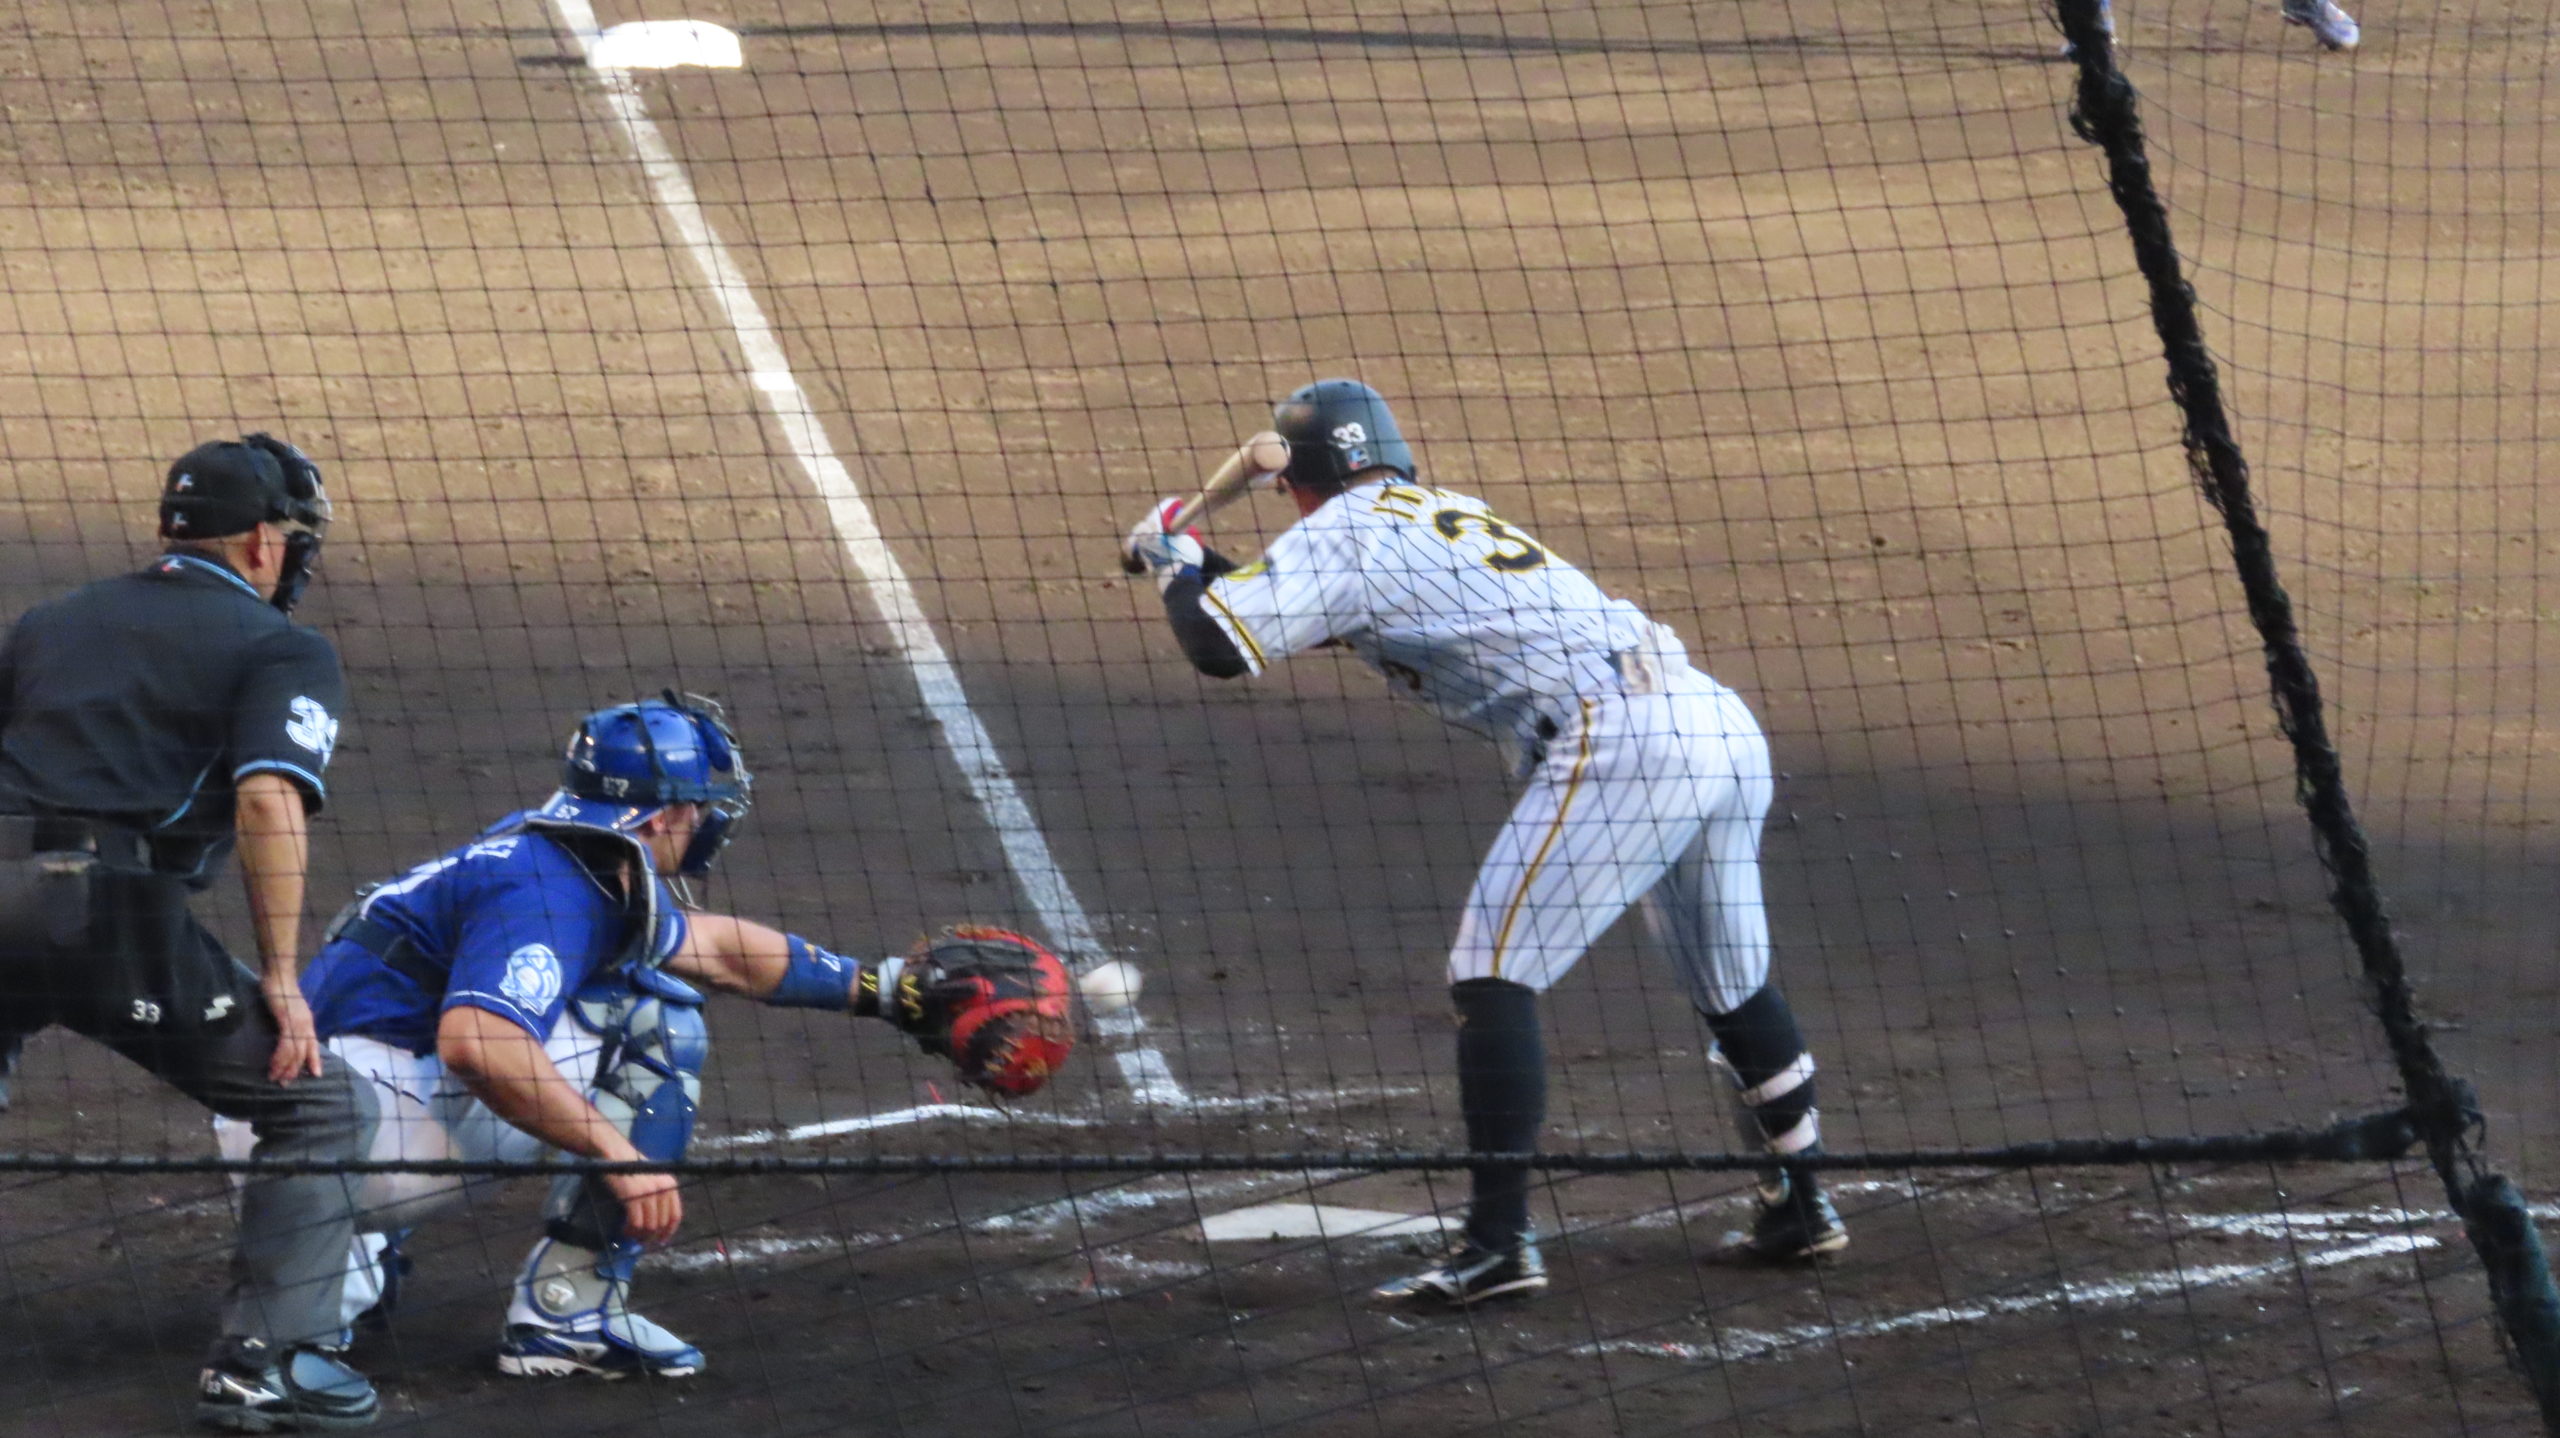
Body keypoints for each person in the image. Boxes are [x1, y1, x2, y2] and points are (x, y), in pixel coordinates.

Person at [1122, 380, 1848, 1307]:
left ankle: (1497, 1248)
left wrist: (1173, 563)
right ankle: (1803, 1206)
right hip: (1712, 722)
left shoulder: (1338, 534)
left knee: (1491, 972)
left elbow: (1221, 647)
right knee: (1731, 983)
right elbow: (1297, 608)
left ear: (1294, 482)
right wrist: (1189, 563)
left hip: (1626, 744)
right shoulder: (1439, 514)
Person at [236, 693, 1070, 1379]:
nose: (709, 819)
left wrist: (880, 989)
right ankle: (569, 1313)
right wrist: (622, 1157)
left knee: (592, 995)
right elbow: (477, 1043)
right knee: (652, 1018)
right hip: (342, 1139)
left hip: (296, 1127)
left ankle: (343, 1266)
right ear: (668, 814)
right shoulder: (554, 892)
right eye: (701, 804)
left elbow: (718, 949)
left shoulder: (554, 854)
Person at [0, 435, 383, 1430]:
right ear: (260, 542)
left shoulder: (50, 620)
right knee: (321, 1104)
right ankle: (268, 1364)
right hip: (97, 909)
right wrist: (284, 976)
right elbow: (268, 802)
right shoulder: (281, 647)